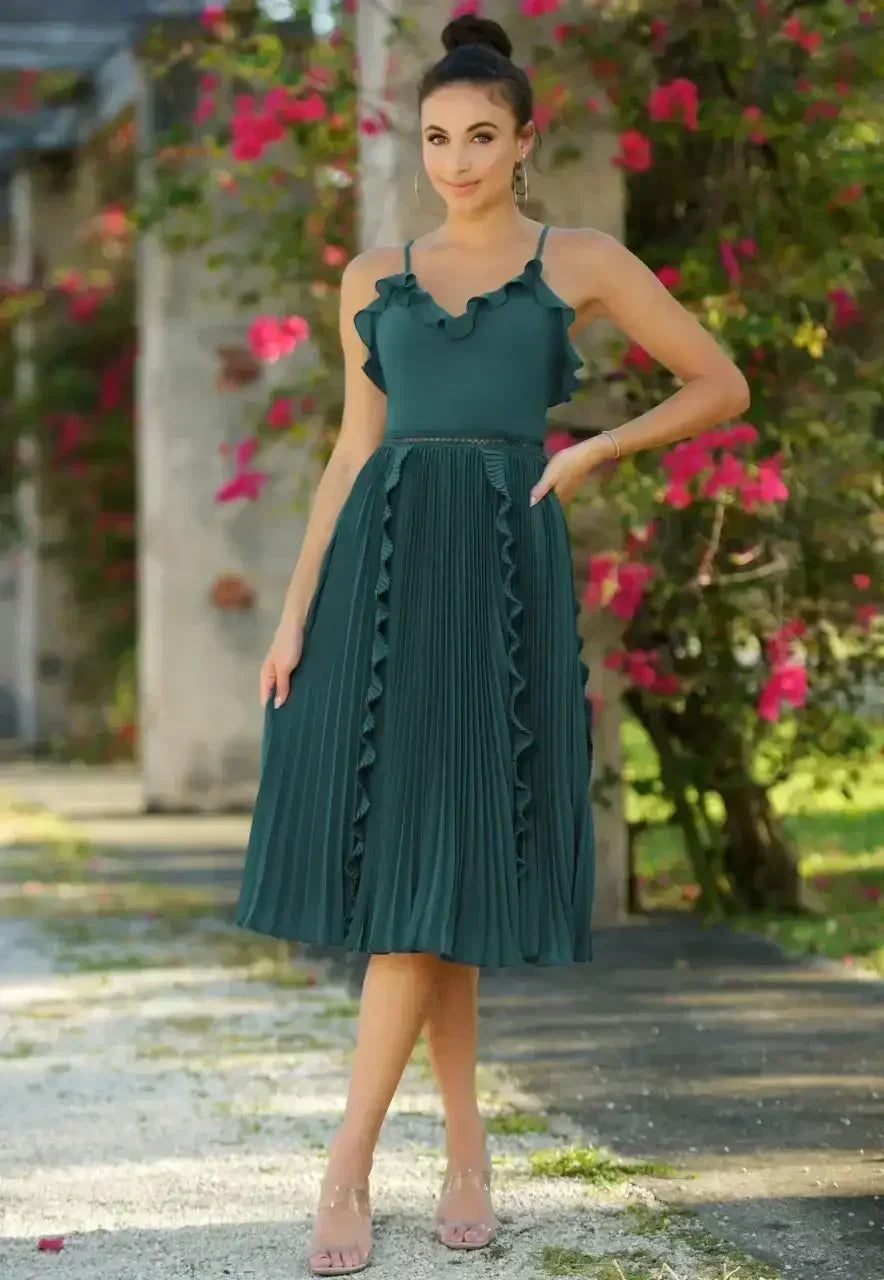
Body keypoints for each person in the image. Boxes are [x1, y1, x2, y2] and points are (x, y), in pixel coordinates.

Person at [233, 12, 750, 1277]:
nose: (455, 161)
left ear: (524, 140)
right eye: (435, 140)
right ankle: (446, 1150)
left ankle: (359, 1158)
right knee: (423, 879)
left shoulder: (576, 257)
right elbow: (352, 452)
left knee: (437, 874)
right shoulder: (373, 274)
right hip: (381, 579)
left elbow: (718, 381)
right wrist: (297, 610)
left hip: (501, 578)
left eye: (479, 137)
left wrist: (585, 447)